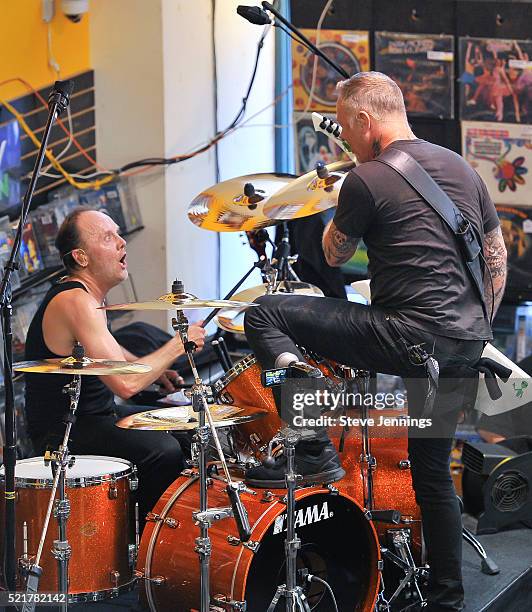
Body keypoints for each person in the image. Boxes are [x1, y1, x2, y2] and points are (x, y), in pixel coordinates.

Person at [244, 72, 507, 611]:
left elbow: (336, 255)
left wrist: (336, 192)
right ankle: (446, 599)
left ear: (365, 121)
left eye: (344, 128)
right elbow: (496, 258)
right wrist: (472, 329)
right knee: (433, 472)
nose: (345, 139)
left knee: (265, 313)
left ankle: (312, 441)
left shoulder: (366, 177)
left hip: (407, 336)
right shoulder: (461, 166)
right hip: (466, 343)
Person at [24, 207, 206, 523]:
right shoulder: (75, 301)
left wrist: (155, 370)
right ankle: (148, 545)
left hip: (95, 416)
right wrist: (179, 343)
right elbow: (125, 384)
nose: (122, 243)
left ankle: (167, 533)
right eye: (109, 237)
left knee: (183, 428)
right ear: (81, 257)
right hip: (65, 430)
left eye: (119, 234)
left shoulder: (86, 296)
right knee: (163, 449)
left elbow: (107, 351)